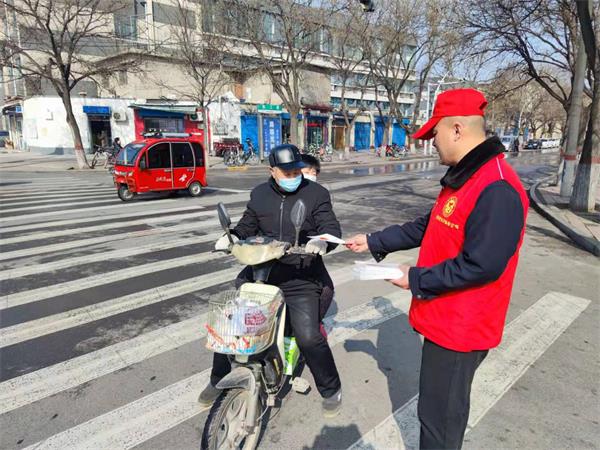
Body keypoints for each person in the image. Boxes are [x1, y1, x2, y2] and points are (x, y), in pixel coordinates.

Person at [346, 88, 528, 449]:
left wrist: (415, 278)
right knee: (435, 413)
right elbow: (428, 226)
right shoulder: (466, 177)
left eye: (435, 133)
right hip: (445, 317)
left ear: (457, 129)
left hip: (462, 328)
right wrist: (373, 241)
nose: (432, 142)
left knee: (439, 422)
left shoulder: (496, 188)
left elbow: (481, 266)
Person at [199, 144, 343, 417]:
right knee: (231, 325)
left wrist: (323, 242)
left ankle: (331, 389)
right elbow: (248, 224)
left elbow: (330, 226)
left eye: (296, 171)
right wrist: (232, 237)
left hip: (301, 275)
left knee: (309, 336)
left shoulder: (316, 194)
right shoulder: (259, 194)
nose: (293, 176)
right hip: (262, 272)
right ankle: (218, 379)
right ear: (272, 171)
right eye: (287, 172)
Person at [301, 154, 334, 334]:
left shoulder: (319, 195)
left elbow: (328, 223)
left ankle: (314, 324)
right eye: (306, 172)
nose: (311, 176)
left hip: (310, 252)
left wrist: (323, 241)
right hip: (273, 254)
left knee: (326, 289)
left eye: (314, 173)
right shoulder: (268, 194)